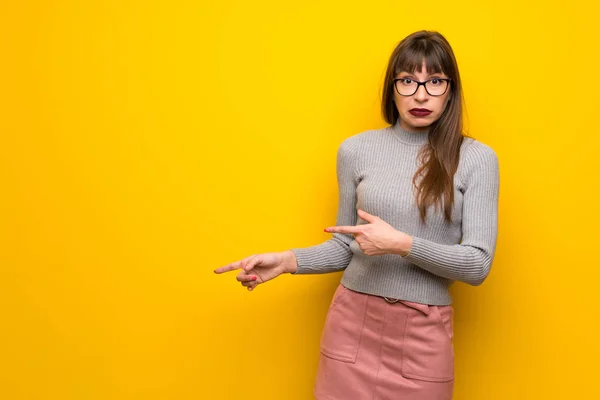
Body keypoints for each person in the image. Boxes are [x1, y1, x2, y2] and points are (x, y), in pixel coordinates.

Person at [214, 30, 499, 400]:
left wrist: (402, 244)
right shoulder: (356, 150)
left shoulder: (477, 159)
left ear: (450, 89)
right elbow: (346, 246)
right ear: (392, 87)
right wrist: (286, 261)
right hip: (353, 323)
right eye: (408, 81)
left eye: (435, 82)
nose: (421, 94)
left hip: (423, 334)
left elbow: (478, 265)